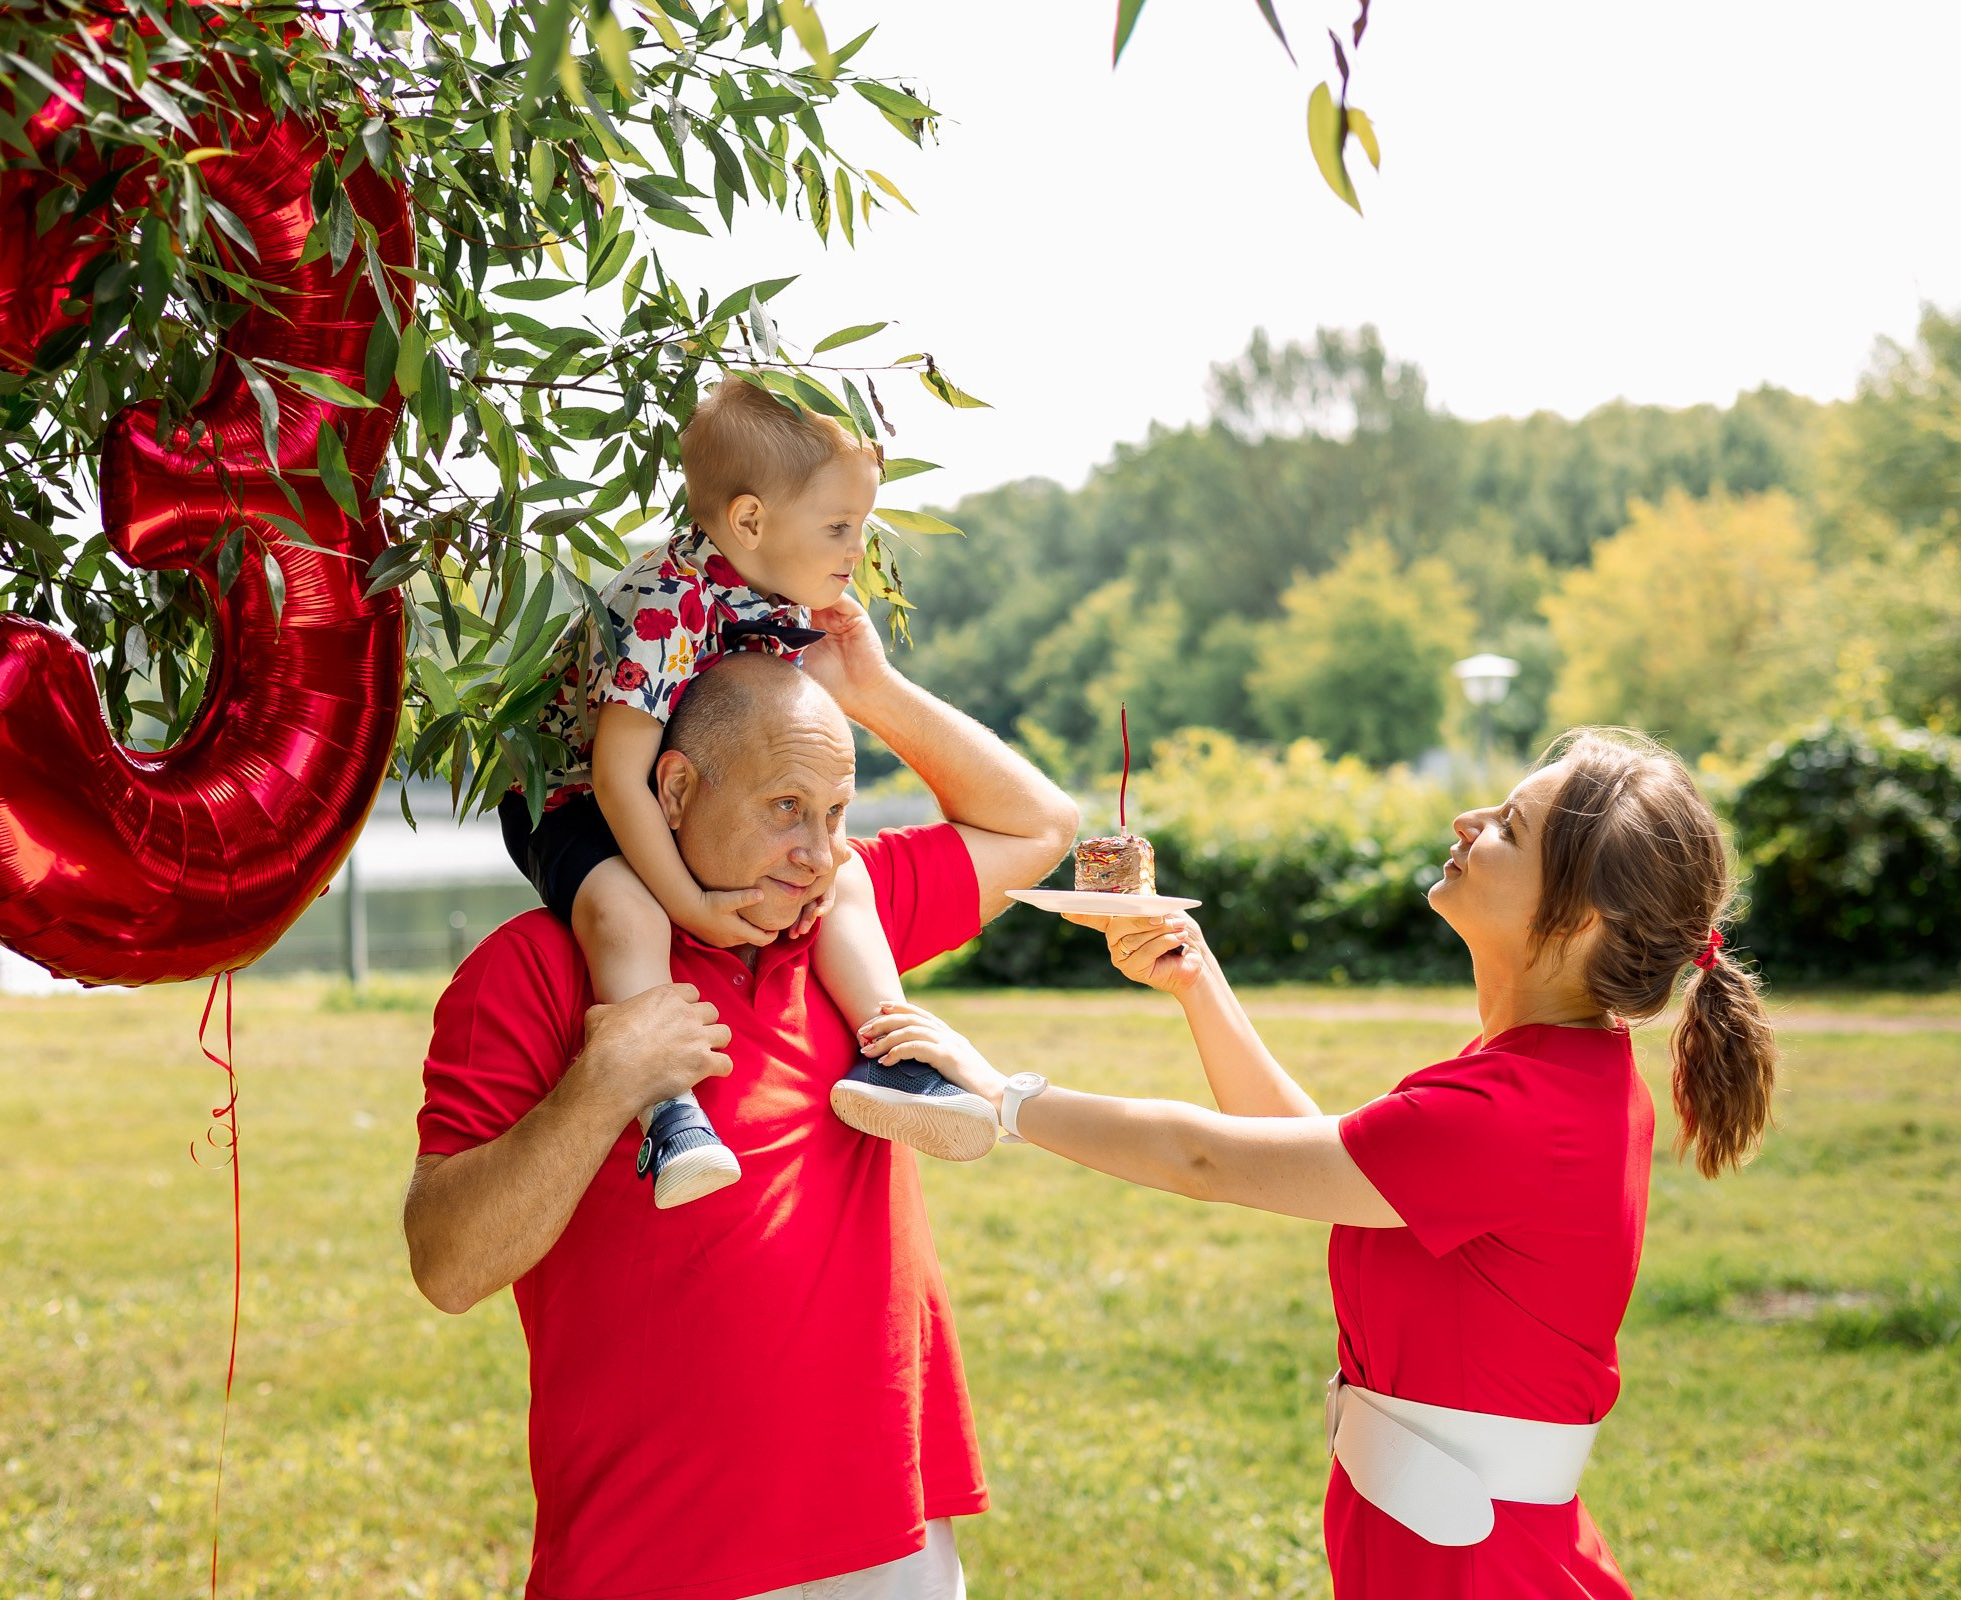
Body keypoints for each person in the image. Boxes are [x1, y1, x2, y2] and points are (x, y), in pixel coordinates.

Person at [861, 728, 1780, 1599]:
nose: (1467, 822)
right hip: (1449, 1545)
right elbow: (1320, 1164)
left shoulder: (1516, 1113)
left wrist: (1005, 1097)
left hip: (1477, 1569)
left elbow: (1209, 1160)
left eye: (1510, 827)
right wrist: (1198, 981)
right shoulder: (1549, 1076)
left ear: (1578, 918)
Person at [408, 627, 1080, 1600]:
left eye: (838, 812)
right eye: (784, 809)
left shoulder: (848, 928)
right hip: (654, 1558)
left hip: (892, 1540)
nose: (819, 854)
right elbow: (448, 1265)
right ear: (675, 791)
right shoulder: (534, 967)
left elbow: (1040, 827)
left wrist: (870, 684)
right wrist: (603, 1085)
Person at [499, 378, 997, 1210]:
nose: (857, 549)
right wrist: (692, 905)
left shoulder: (773, 594)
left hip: (676, 788)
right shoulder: (669, 602)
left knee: (844, 877)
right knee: (627, 912)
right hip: (568, 794)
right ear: (751, 521)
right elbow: (619, 777)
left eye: (862, 527)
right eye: (838, 527)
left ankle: (894, 1057)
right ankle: (669, 1114)